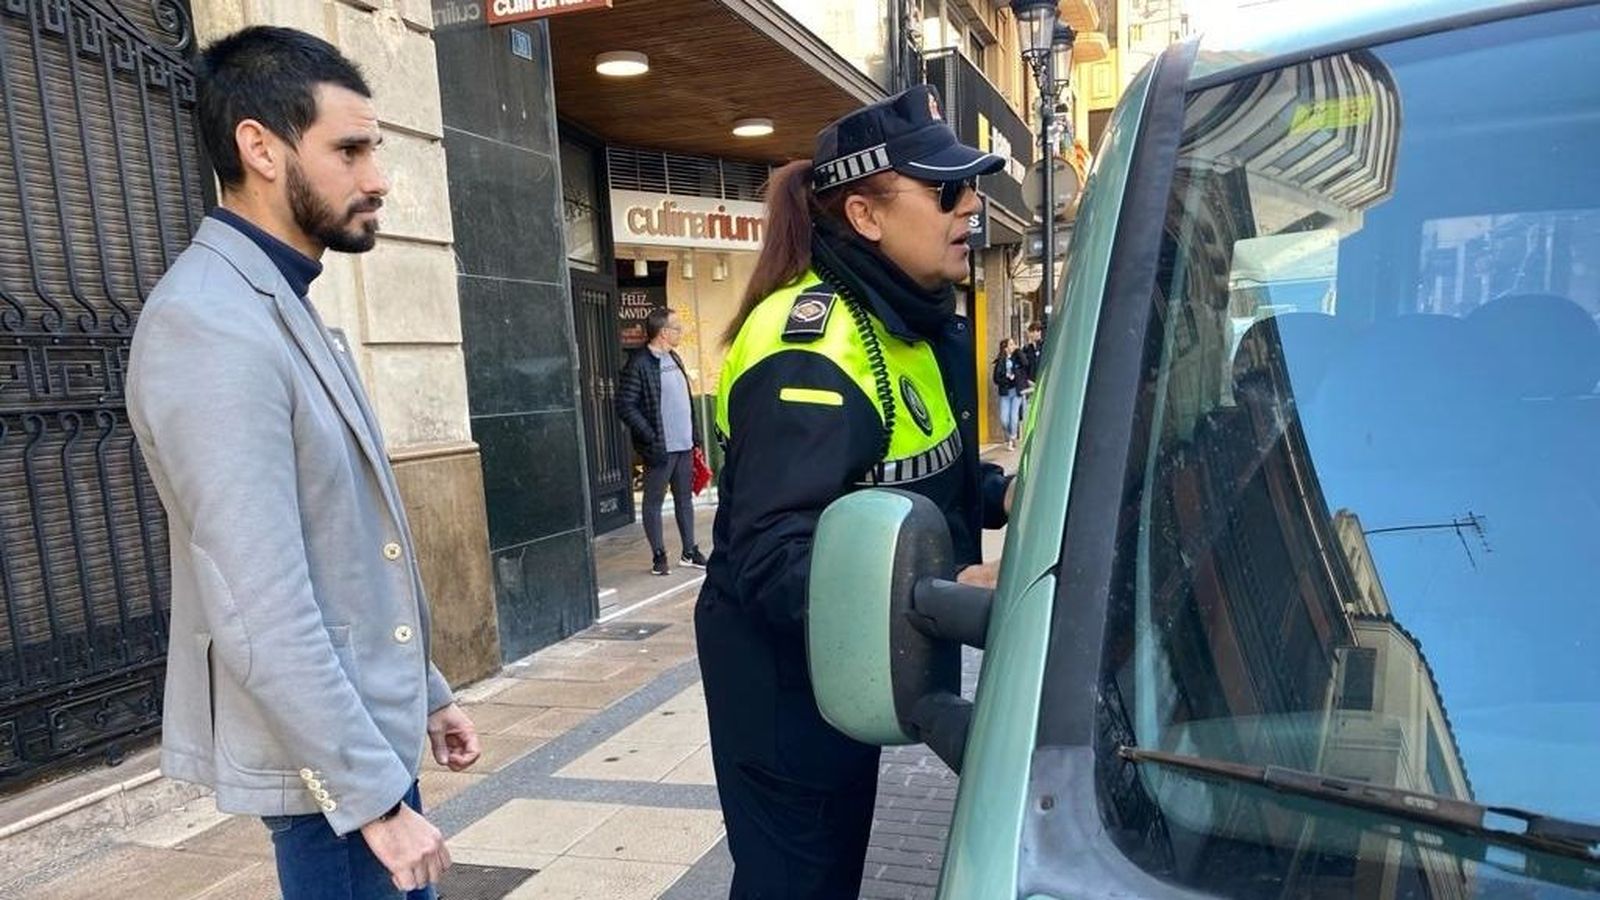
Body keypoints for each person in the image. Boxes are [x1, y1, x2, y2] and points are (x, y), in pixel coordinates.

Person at [126, 27, 478, 899]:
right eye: (349, 149)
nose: (378, 178)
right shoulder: (209, 322)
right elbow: (258, 599)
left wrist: (426, 690)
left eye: (376, 149)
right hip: (334, 776)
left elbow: (351, 543)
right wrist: (372, 800)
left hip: (362, 732)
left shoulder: (275, 301)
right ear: (261, 148)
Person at [696, 85, 1015, 897]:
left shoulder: (906, 322)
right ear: (866, 217)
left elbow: (921, 470)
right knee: (796, 883)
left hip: (852, 666)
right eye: (946, 190)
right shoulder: (808, 346)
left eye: (970, 186)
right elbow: (774, 555)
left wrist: (1012, 502)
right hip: (784, 685)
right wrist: (932, 596)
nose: (970, 204)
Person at [618, 307, 708, 576]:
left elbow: (684, 402)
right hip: (660, 448)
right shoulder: (639, 363)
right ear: (663, 332)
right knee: (653, 502)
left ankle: (689, 551)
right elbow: (625, 404)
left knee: (684, 500)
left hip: (683, 445)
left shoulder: (675, 358)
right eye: (676, 328)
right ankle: (659, 556)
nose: (680, 332)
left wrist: (695, 438)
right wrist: (650, 434)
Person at [993, 337, 1026, 451]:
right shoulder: (1000, 361)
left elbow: (1025, 363)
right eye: (1011, 344)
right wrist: (1006, 379)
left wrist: (1018, 350)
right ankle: (1009, 436)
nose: (1013, 346)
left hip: (1017, 392)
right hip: (1005, 393)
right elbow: (996, 378)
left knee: (1013, 417)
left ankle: (1012, 439)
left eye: (1014, 344)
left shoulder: (1018, 358)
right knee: (1004, 419)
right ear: (1005, 348)